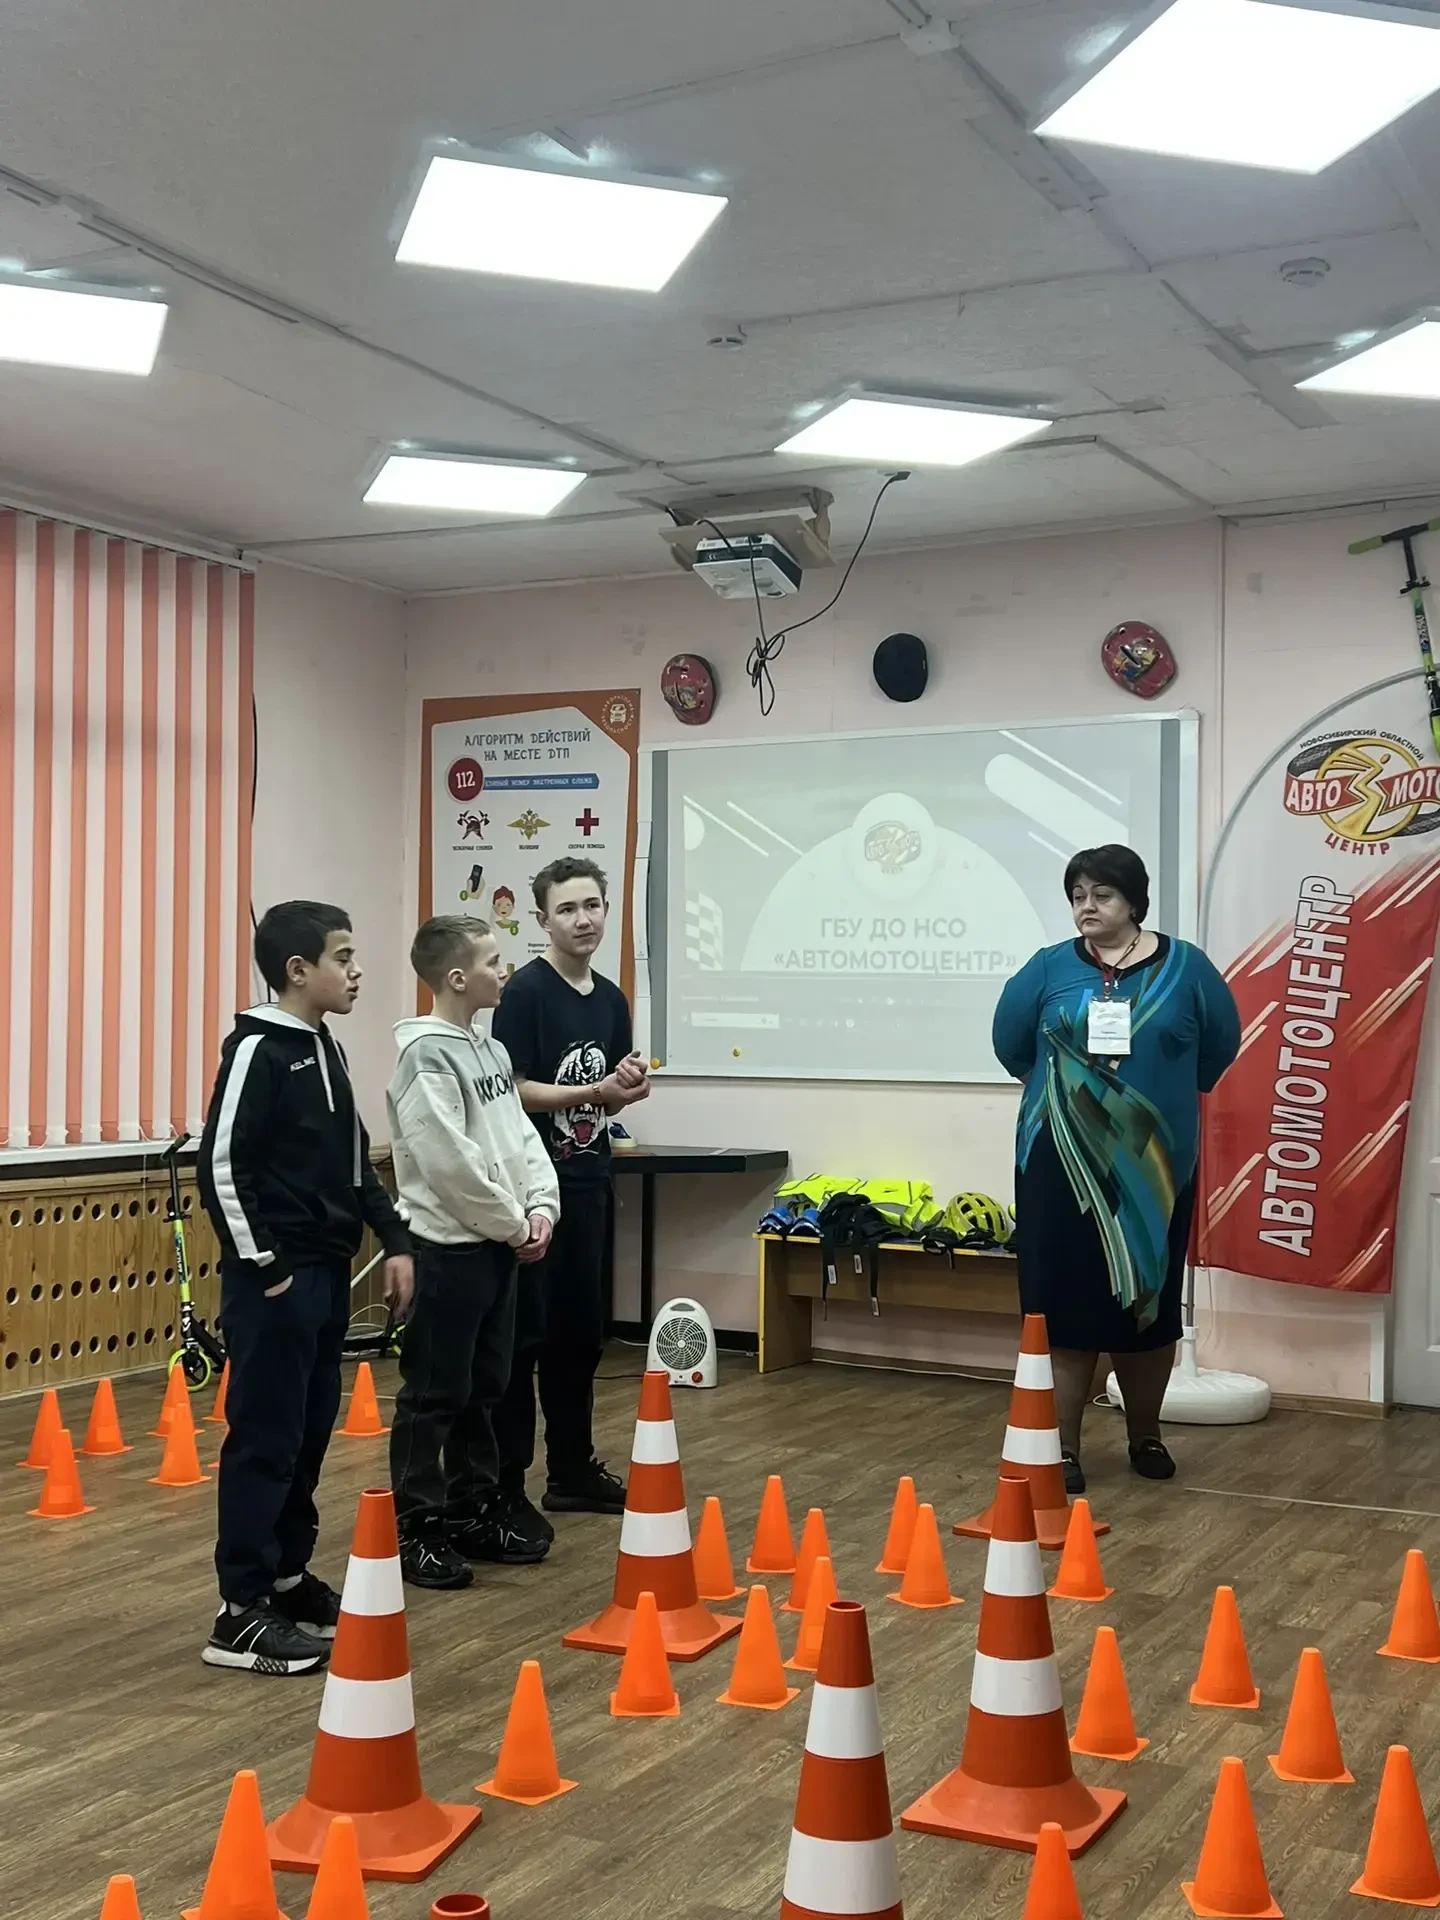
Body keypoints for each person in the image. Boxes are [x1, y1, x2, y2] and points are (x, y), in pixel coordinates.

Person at [198, 901, 414, 1675]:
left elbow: (355, 1165)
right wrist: (269, 1270)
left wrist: (396, 1241)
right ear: (298, 970)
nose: (357, 972)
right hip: (276, 1287)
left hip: (324, 1282)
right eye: (343, 958)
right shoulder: (258, 1050)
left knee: (307, 1435)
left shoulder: (327, 1048)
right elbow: (221, 1167)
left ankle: (286, 1579)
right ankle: (239, 1612)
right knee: (264, 1439)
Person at [992, 845, 1240, 1490]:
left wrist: (1154, 1100)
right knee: (1061, 1307)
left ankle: (1145, 1435)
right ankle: (1062, 1448)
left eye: (1101, 895)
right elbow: (1010, 1044)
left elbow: (1220, 1046)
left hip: (1154, 1170)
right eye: (1078, 896)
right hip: (1058, 1165)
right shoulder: (1048, 967)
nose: (1087, 907)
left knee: (1146, 1307)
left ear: (1134, 901)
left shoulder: (1186, 967)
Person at [386, 915, 560, 1590]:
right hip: (449, 1252)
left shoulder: (488, 1049)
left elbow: (519, 1137)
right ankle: (415, 1527)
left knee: (484, 1387)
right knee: (435, 1393)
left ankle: (472, 1507)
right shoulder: (424, 1057)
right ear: (457, 978)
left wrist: (540, 1206)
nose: (503, 970)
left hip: (497, 1247)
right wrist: (515, 1224)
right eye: (492, 961)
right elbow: (449, 1164)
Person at [491, 856, 650, 1548]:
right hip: (531, 1193)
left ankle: (573, 1470)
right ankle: (506, 1485)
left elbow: (608, 1094)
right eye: (567, 909)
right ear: (543, 920)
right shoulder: (525, 994)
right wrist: (594, 1092)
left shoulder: (610, 999)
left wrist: (625, 1086)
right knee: (523, 1342)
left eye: (592, 906)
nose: (583, 920)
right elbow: (511, 1089)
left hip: (588, 1183)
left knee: (581, 1338)